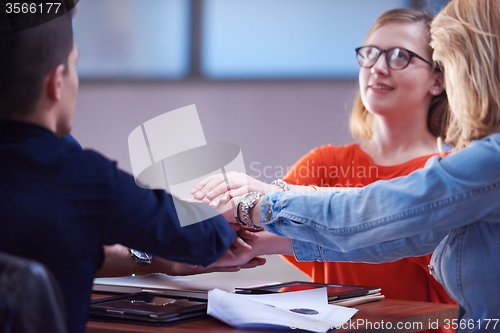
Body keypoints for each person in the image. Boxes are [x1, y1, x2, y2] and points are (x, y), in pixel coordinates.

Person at [209, 0, 500, 331]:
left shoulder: (478, 162)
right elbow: (382, 235)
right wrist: (260, 233)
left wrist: (259, 204)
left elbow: (377, 218)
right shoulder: (327, 160)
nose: (378, 67)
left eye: (400, 56)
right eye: (370, 54)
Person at [0, 9, 261, 333]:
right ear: (57, 83)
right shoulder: (85, 179)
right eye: (75, 66)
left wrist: (158, 261)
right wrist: (219, 218)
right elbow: (201, 237)